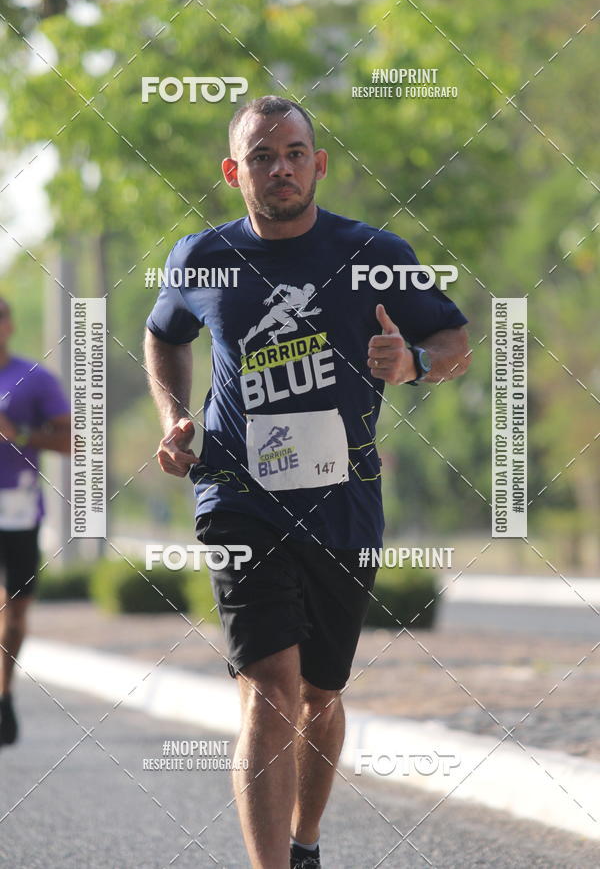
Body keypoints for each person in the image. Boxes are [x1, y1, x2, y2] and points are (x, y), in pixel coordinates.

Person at [145, 95, 471, 869]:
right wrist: (175, 415)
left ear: (319, 163)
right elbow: (164, 337)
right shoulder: (202, 257)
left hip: (343, 502)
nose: (280, 167)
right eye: (261, 156)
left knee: (320, 695)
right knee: (269, 688)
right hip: (237, 496)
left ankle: (305, 843)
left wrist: (416, 364)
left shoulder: (373, 252)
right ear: (235, 171)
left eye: (293, 152)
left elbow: (454, 338)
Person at [0, 297, 70, 746]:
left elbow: (72, 440)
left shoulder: (33, 379)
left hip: (17, 509)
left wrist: (19, 435)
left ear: (7, 325)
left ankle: (3, 694)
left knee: (16, 608)